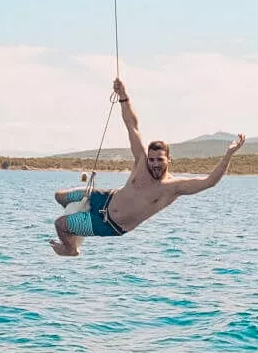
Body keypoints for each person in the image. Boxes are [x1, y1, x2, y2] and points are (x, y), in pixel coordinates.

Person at [49, 78, 246, 256]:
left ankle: (71, 249)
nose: (154, 164)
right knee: (60, 196)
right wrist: (124, 96)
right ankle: (74, 233)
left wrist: (229, 154)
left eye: (160, 160)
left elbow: (209, 182)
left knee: (60, 225)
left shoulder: (173, 188)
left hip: (110, 224)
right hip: (105, 198)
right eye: (152, 159)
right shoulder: (141, 163)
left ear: (169, 160)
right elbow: (132, 126)